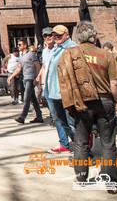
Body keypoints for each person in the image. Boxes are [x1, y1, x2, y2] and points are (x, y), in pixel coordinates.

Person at [57, 21, 117, 192]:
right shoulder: (105, 55)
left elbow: (64, 80)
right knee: (108, 143)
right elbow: (114, 83)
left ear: (78, 37)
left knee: (80, 142)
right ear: (94, 36)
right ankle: (111, 183)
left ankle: (81, 178)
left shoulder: (70, 54)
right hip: (105, 101)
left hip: (81, 103)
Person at [40, 25, 77, 154]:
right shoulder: (50, 50)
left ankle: (81, 150)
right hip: (52, 91)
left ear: (67, 34)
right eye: (48, 35)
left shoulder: (71, 48)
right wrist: (43, 86)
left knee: (71, 121)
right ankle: (64, 143)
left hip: (65, 91)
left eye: (56, 35)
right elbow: (46, 68)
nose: (51, 37)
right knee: (59, 119)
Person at [8, 39, 43, 124]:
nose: (18, 46)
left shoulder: (31, 55)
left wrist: (37, 78)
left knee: (26, 98)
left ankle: (22, 117)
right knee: (33, 99)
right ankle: (39, 116)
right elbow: (19, 68)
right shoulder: (21, 56)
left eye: (20, 45)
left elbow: (38, 66)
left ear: (25, 45)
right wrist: (11, 77)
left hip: (31, 78)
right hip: (25, 78)